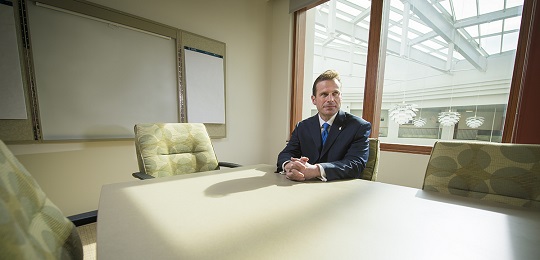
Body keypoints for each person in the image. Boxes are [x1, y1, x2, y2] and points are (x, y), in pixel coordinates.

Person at [276, 69, 371, 181]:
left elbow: (355, 164)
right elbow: (286, 154)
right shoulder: (302, 127)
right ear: (314, 99)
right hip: (303, 186)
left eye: (335, 94)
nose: (330, 99)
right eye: (324, 94)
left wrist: (316, 170)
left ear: (341, 97)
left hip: (340, 190)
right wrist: (289, 165)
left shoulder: (359, 126)